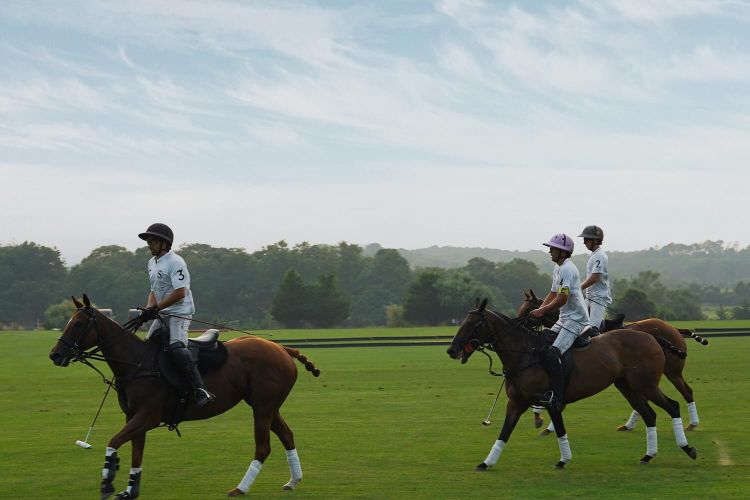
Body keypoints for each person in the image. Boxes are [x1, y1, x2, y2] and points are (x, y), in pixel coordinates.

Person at [137, 223, 215, 407]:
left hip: (180, 312)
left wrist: (156, 308)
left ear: (165, 243)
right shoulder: (151, 263)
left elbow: (180, 293)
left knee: (176, 347)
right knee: (149, 347)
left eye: (153, 241)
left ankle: (200, 389)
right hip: (162, 312)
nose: (149, 244)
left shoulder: (176, 262)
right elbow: (154, 290)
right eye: (148, 241)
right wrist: (149, 308)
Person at [529, 233, 590, 411]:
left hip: (576, 320)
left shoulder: (567, 270)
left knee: (552, 354)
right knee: (541, 344)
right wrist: (540, 308)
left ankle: (557, 396)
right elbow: (553, 293)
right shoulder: (558, 268)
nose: (549, 251)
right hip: (564, 319)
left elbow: (562, 299)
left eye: (552, 249)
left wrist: (543, 311)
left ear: (562, 252)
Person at [578, 225, 611, 336]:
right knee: (578, 323)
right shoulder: (594, 255)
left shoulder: (600, 255)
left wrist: (578, 287)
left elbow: (594, 277)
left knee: (592, 330)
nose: (584, 242)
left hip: (599, 298)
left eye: (586, 240)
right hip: (590, 296)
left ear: (596, 240)